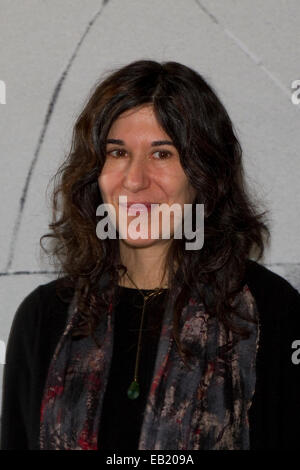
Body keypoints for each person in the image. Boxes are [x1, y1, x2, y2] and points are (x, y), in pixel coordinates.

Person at [1, 60, 300, 451]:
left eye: (162, 154)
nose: (135, 179)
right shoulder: (43, 318)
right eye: (117, 152)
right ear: (95, 171)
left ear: (205, 172)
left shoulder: (273, 312)